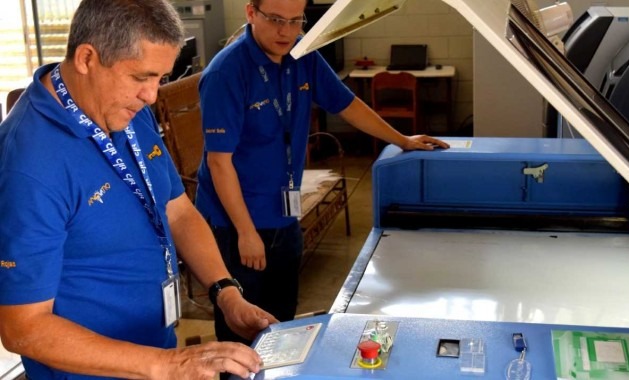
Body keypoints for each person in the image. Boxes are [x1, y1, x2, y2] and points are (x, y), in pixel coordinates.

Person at [0, 1, 278, 379]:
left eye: (160, 78)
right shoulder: (29, 163)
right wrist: (168, 365)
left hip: (152, 354)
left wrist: (225, 292)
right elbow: (23, 328)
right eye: (141, 78)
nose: (152, 95)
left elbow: (177, 209)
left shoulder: (126, 109)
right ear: (86, 58)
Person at [195, 0, 450, 358]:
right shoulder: (227, 73)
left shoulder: (303, 55)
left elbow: (348, 105)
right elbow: (219, 162)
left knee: (281, 325)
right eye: (275, 20)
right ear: (250, 13)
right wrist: (246, 231)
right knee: (241, 335)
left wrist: (403, 140)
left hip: (283, 214)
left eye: (296, 20)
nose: (287, 31)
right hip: (236, 224)